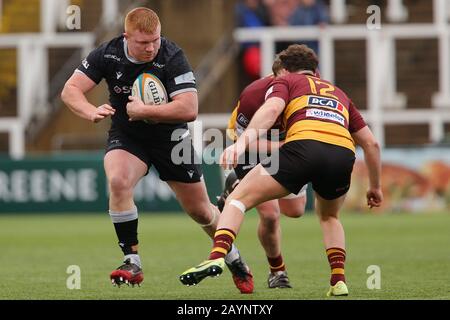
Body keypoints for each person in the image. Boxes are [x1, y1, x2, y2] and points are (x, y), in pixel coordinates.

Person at [60, 7, 253, 293]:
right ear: (127, 37)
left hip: (172, 139)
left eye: (155, 40)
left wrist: (145, 110)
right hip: (128, 135)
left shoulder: (172, 55)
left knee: (201, 211)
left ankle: (235, 258)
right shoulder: (108, 53)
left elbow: (189, 109)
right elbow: (70, 90)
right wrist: (90, 111)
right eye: (143, 43)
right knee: (118, 181)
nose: (151, 48)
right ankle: (131, 261)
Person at [180, 44, 383, 296]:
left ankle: (218, 253)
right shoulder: (335, 92)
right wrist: (375, 187)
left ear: (285, 71)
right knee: (317, 216)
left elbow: (273, 109)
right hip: (339, 155)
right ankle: (334, 279)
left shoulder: (285, 81)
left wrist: (240, 147)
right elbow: (371, 143)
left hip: (299, 150)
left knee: (256, 204)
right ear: (314, 72)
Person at [214, 55, 308, 289]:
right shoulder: (253, 95)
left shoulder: (309, 92)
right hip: (250, 148)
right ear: (280, 75)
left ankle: (233, 189)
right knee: (270, 215)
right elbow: (244, 142)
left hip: (287, 147)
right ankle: (277, 271)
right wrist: (284, 146)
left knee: (295, 211)